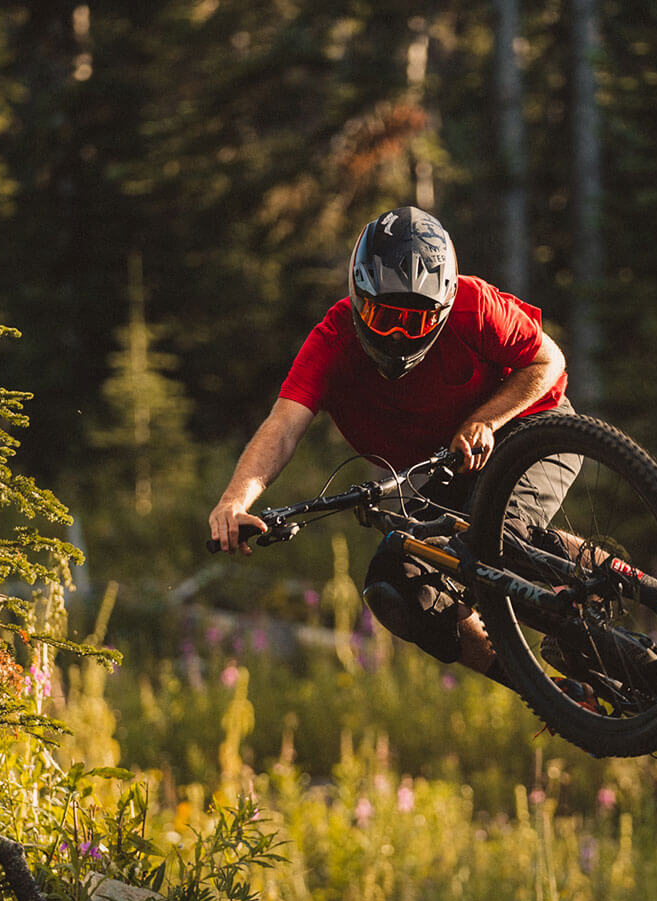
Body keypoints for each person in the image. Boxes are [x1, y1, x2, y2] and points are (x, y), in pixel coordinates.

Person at [207, 206, 578, 689]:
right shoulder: (332, 342)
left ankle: (636, 592)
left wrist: (484, 421)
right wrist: (234, 501)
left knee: (491, 536)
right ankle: (545, 692)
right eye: (384, 318)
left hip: (529, 423)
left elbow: (548, 361)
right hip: (449, 464)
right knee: (398, 582)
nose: (400, 335)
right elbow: (282, 428)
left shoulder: (474, 305)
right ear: (359, 300)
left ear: (442, 309)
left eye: (417, 321)